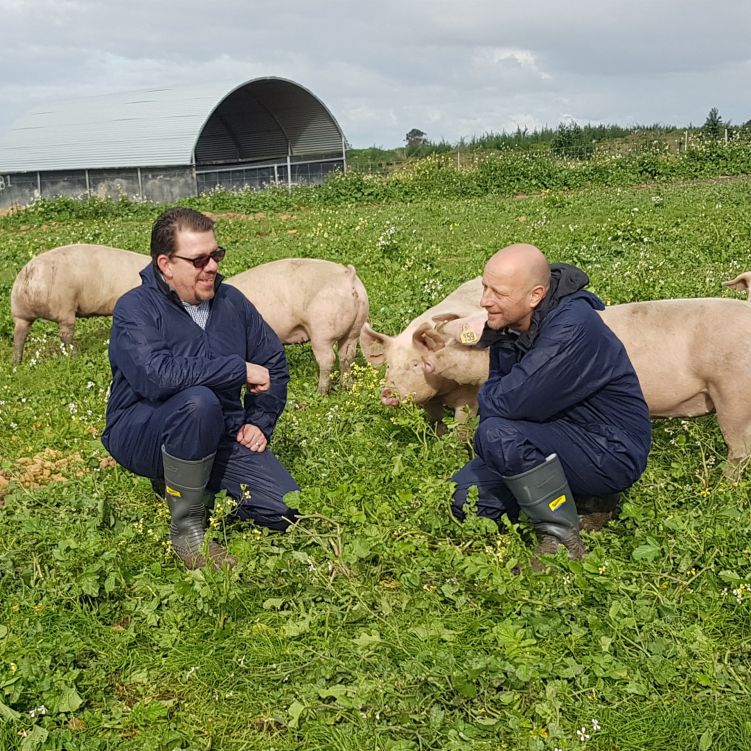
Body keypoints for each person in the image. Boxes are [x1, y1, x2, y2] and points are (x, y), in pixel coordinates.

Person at [102, 207, 299, 570]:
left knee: (284, 510)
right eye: (199, 260)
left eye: (216, 255)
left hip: (219, 430)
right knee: (198, 401)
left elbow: (272, 362)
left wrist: (259, 421)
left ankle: (192, 487)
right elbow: (156, 376)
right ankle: (187, 532)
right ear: (166, 264)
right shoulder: (136, 309)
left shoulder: (231, 301)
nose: (212, 267)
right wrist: (236, 369)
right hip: (143, 430)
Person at [450, 243, 651, 563]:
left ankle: (562, 538)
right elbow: (505, 397)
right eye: (485, 287)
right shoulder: (508, 324)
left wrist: (495, 398)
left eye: (498, 292)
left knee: (497, 434)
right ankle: (575, 498)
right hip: (549, 433)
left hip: (608, 447)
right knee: (465, 499)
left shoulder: (572, 326)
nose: (485, 300)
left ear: (535, 295)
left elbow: (508, 403)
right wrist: (500, 399)